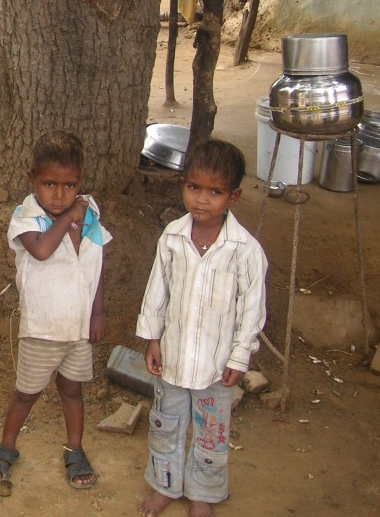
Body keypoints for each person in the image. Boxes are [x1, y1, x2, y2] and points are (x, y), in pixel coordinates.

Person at [136, 139, 267, 517]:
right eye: (194, 188)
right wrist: (153, 340)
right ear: (182, 186)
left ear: (233, 196)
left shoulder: (244, 250)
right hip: (173, 359)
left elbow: (252, 309)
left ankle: (203, 496)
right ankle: (164, 486)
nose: (202, 200)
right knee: (165, 425)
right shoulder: (173, 238)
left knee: (211, 434)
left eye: (215, 191)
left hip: (215, 366)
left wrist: (240, 356)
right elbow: (156, 292)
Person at [0, 131, 110, 491]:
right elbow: (41, 251)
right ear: (31, 180)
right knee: (27, 392)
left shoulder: (90, 220)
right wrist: (70, 214)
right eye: (49, 183)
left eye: (69, 186)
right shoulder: (27, 217)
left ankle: (76, 449)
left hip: (77, 327)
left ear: (79, 182)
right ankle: (7, 446)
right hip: (42, 327)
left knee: (72, 390)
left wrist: (97, 313)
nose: (58, 193)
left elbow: (94, 266)